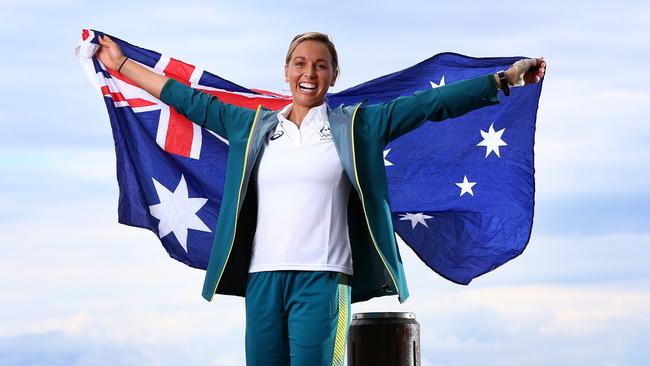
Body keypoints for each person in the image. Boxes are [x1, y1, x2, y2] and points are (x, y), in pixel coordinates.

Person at [97, 32, 545, 366]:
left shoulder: (358, 125)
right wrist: (120, 66)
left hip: (325, 280)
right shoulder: (253, 127)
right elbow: (185, 98)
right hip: (263, 280)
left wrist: (503, 80)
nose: (308, 73)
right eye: (299, 63)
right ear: (286, 71)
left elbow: (432, 105)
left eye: (320, 65)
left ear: (333, 75)